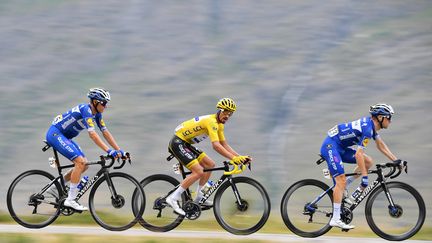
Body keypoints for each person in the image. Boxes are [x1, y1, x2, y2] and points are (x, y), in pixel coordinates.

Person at [320, 103, 402, 229]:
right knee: (340, 180)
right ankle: (335, 219)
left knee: (368, 161)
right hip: (330, 146)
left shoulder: (371, 127)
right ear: (380, 117)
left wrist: (397, 160)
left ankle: (345, 185)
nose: (390, 121)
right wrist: (364, 178)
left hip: (340, 148)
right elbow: (359, 154)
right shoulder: (368, 129)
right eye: (389, 117)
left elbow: (381, 145)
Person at [165, 98, 251, 216]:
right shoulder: (211, 122)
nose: (227, 115)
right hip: (178, 143)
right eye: (226, 112)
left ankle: (199, 198)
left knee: (210, 164)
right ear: (220, 110)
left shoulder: (219, 125)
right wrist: (233, 158)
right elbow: (216, 146)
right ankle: (173, 198)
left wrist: (240, 157)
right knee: (199, 171)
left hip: (186, 144)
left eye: (230, 113)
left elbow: (224, 144)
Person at [45, 88, 124, 211]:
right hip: (55, 134)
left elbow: (105, 132)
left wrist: (119, 150)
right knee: (80, 162)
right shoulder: (85, 110)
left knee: (84, 165)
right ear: (95, 102)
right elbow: (92, 135)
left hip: (65, 137)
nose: (105, 106)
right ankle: (70, 200)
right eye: (104, 103)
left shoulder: (97, 114)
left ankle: (56, 188)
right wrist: (109, 151)